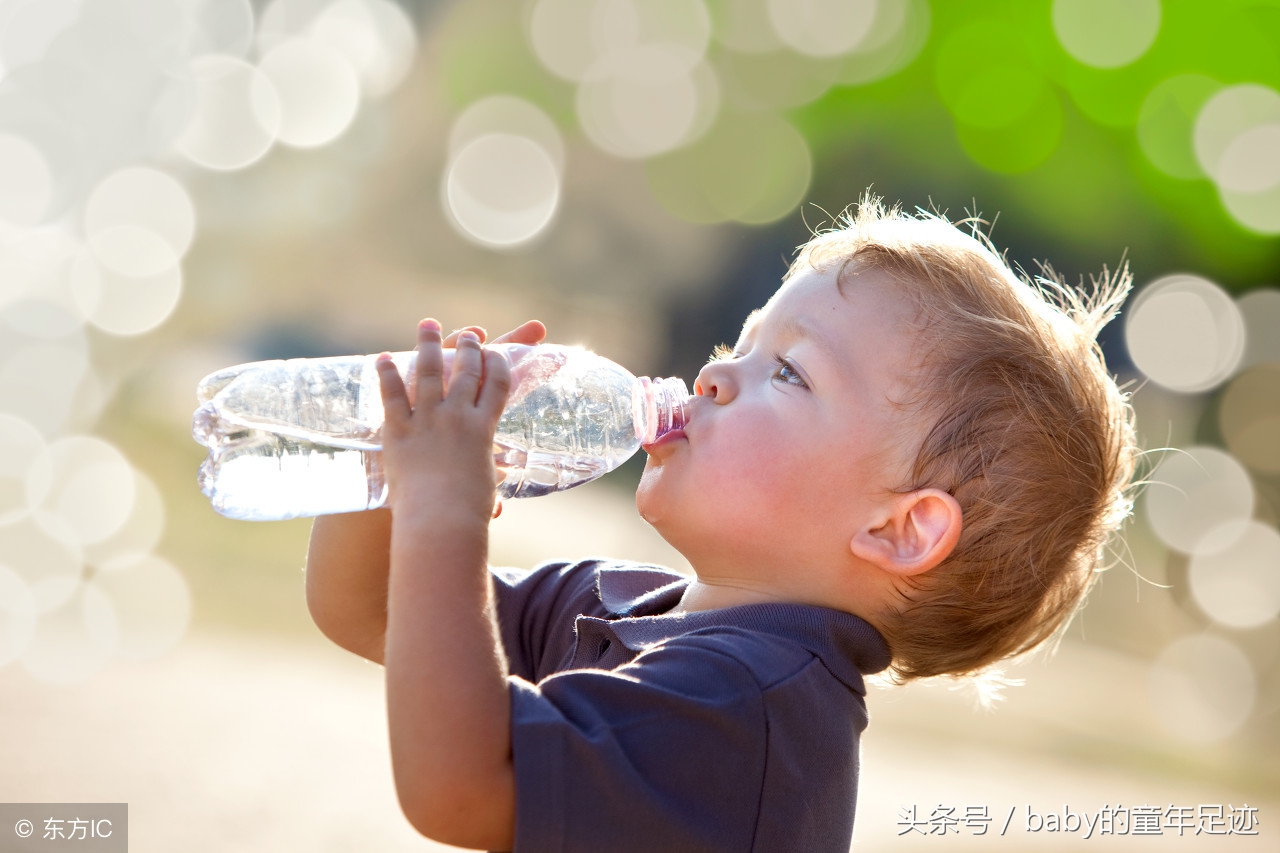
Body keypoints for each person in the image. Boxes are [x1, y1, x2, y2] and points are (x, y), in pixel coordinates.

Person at [304, 197, 1138, 852]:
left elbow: (457, 787)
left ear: (898, 530)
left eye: (786, 370)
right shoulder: (627, 605)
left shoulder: (748, 708)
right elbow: (369, 604)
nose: (712, 374)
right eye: (740, 343)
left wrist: (446, 511)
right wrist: (393, 464)